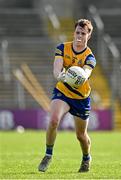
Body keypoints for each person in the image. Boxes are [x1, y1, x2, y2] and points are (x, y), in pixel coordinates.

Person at [38, 19, 97, 173]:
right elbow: (57, 69)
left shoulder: (90, 57)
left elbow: (86, 72)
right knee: (53, 120)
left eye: (83, 33)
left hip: (81, 98)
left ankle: (86, 158)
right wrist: (61, 76)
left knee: (81, 135)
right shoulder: (62, 48)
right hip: (63, 91)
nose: (79, 36)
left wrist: (80, 75)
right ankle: (48, 155)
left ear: (88, 36)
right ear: (74, 32)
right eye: (77, 32)